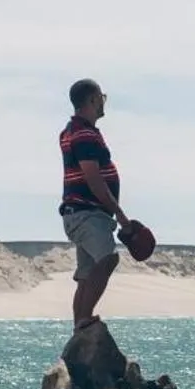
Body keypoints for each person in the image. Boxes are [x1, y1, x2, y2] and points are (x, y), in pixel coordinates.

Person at [59, 78, 132, 329]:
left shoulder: (73, 130)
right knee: (108, 259)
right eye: (102, 97)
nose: (103, 102)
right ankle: (84, 319)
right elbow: (93, 178)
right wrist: (120, 214)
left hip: (80, 213)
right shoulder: (84, 134)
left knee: (86, 275)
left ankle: (80, 326)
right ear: (92, 99)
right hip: (88, 214)